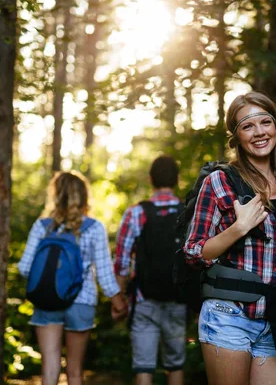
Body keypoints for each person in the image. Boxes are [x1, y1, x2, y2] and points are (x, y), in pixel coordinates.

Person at [183, 91, 276, 385]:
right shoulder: (220, 182)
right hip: (228, 316)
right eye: (247, 126)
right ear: (236, 137)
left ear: (275, 127)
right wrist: (238, 227)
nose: (259, 132)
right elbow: (195, 253)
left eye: (265, 122)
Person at [18, 171, 127, 385]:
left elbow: (24, 268)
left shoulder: (42, 226)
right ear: (85, 197)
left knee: (49, 370)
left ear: (56, 195)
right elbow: (105, 275)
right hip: (81, 302)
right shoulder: (94, 228)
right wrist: (119, 304)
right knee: (75, 372)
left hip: (47, 300)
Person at [114, 154, 187, 385]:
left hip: (144, 299)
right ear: (177, 179)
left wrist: (119, 299)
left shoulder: (136, 212)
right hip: (178, 299)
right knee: (175, 364)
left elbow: (122, 261)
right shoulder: (188, 212)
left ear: (150, 179)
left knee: (144, 366)